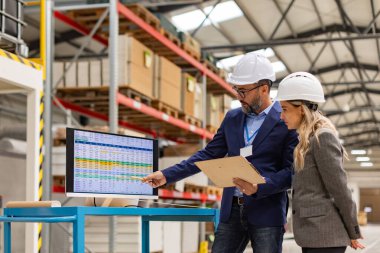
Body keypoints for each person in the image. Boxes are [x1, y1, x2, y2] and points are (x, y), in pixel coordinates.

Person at [143, 52, 298, 253]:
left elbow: (291, 173)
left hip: (266, 212)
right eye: (236, 90)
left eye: (243, 91)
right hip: (231, 210)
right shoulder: (232, 118)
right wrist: (167, 175)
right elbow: (207, 154)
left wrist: (260, 186)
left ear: (264, 89)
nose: (238, 96)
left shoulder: (286, 121)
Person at [276, 72, 365, 253]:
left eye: (284, 109)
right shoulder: (306, 140)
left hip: (326, 237)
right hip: (314, 235)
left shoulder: (322, 138)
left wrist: (353, 230)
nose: (281, 116)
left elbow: (339, 189)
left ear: (301, 108)